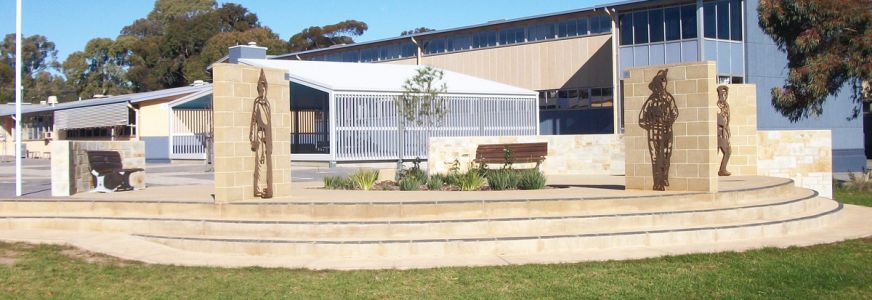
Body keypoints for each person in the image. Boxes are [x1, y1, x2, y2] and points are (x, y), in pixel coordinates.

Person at [639, 69, 679, 191]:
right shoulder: (651, 100)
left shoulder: (669, 99)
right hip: (654, 132)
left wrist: (669, 121)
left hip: (666, 131)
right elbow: (641, 118)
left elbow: (675, 113)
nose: (662, 83)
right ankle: (658, 182)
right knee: (656, 158)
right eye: (660, 81)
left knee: (666, 156)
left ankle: (664, 177)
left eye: (664, 81)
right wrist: (651, 125)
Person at [249, 70, 274, 198]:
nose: (262, 89)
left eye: (264, 86)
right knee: (258, 162)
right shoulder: (257, 103)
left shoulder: (267, 104)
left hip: (267, 136)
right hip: (259, 134)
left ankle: (269, 188)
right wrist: (253, 137)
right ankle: (258, 188)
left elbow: (269, 121)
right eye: (260, 87)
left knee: (268, 162)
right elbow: (253, 120)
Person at [717, 85, 732, 176]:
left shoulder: (726, 105)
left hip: (724, 131)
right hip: (719, 132)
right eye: (722, 94)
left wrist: (727, 129)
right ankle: (722, 170)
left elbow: (727, 118)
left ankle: (722, 169)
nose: (724, 96)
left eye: (725, 94)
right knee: (727, 151)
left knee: (728, 151)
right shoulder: (717, 105)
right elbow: (718, 118)